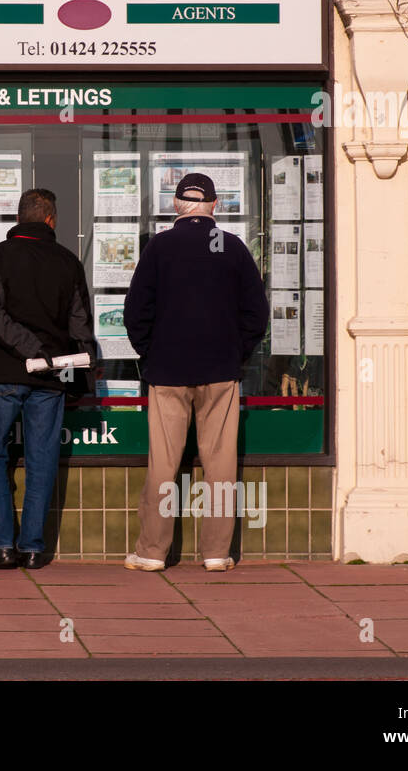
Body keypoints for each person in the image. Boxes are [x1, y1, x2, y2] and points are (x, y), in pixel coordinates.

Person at [122, 172, 268, 573]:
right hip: (220, 372)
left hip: (168, 372)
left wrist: (151, 354)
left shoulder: (160, 246)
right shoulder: (233, 248)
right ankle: (216, 553)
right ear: (215, 206)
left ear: (175, 205)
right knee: (220, 464)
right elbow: (257, 316)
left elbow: (135, 313)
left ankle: (152, 552)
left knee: (163, 464)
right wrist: (235, 353)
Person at [0, 189, 96, 570]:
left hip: (4, 372)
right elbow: (80, 324)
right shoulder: (69, 262)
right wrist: (77, 375)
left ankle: (0, 546)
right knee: (42, 460)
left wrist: (27, 349)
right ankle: (32, 549)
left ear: (20, 217)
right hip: (53, 376)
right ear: (50, 220)